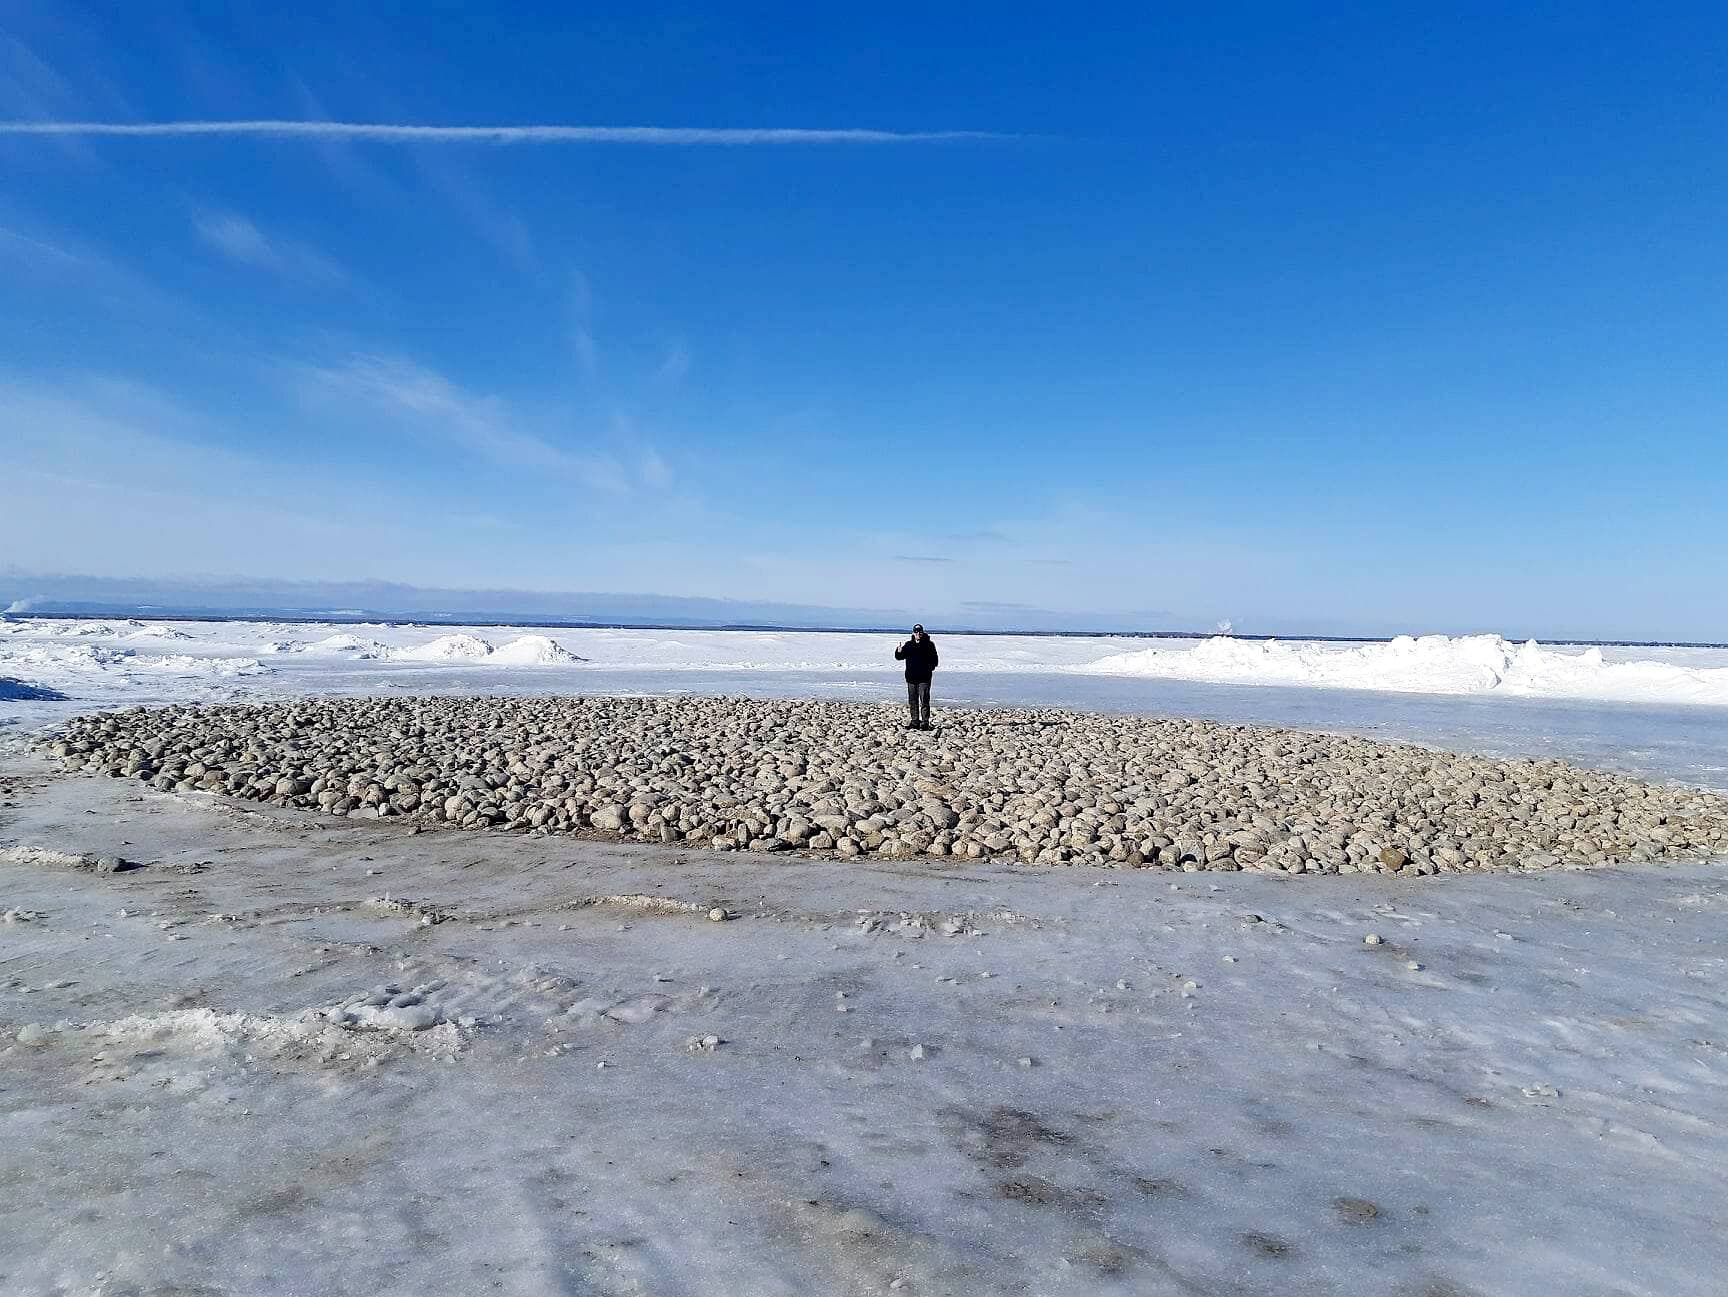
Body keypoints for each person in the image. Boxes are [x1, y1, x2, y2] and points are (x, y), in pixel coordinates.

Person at [894, 623, 939, 729]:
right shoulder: (908, 645)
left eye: (920, 632)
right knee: (912, 700)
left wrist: (928, 669)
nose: (918, 633)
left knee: (924, 700)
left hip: (924, 678)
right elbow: (899, 657)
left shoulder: (929, 645)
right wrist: (898, 651)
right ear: (913, 633)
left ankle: (924, 722)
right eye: (916, 632)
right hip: (911, 678)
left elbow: (935, 660)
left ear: (922, 632)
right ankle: (915, 721)